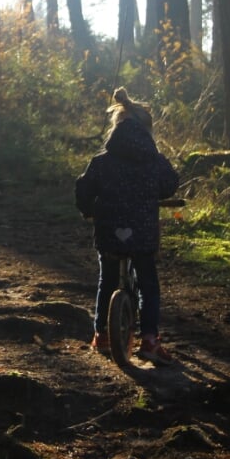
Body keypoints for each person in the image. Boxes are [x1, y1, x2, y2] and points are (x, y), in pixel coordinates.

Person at [74, 87, 180, 365]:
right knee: (148, 282)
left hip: (109, 229)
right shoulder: (154, 161)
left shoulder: (102, 161)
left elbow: (83, 189)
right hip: (143, 231)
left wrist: (89, 211)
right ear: (147, 129)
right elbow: (170, 184)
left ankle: (102, 335)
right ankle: (149, 341)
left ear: (117, 126)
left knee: (107, 279)